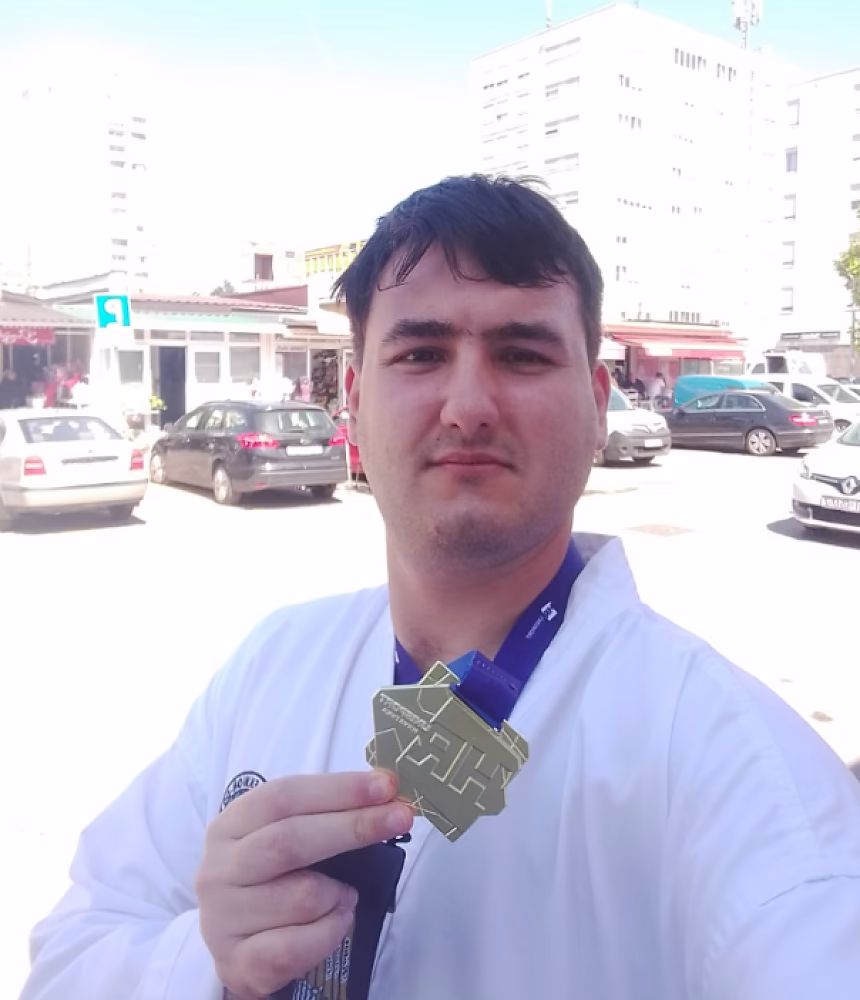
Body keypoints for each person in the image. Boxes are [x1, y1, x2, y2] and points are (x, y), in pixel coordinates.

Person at [20, 176, 860, 1000]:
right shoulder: (271, 666)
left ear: (597, 402)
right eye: (420, 354)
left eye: (522, 355)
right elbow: (71, 954)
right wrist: (207, 963)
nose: (468, 406)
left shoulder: (738, 769)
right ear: (354, 399)